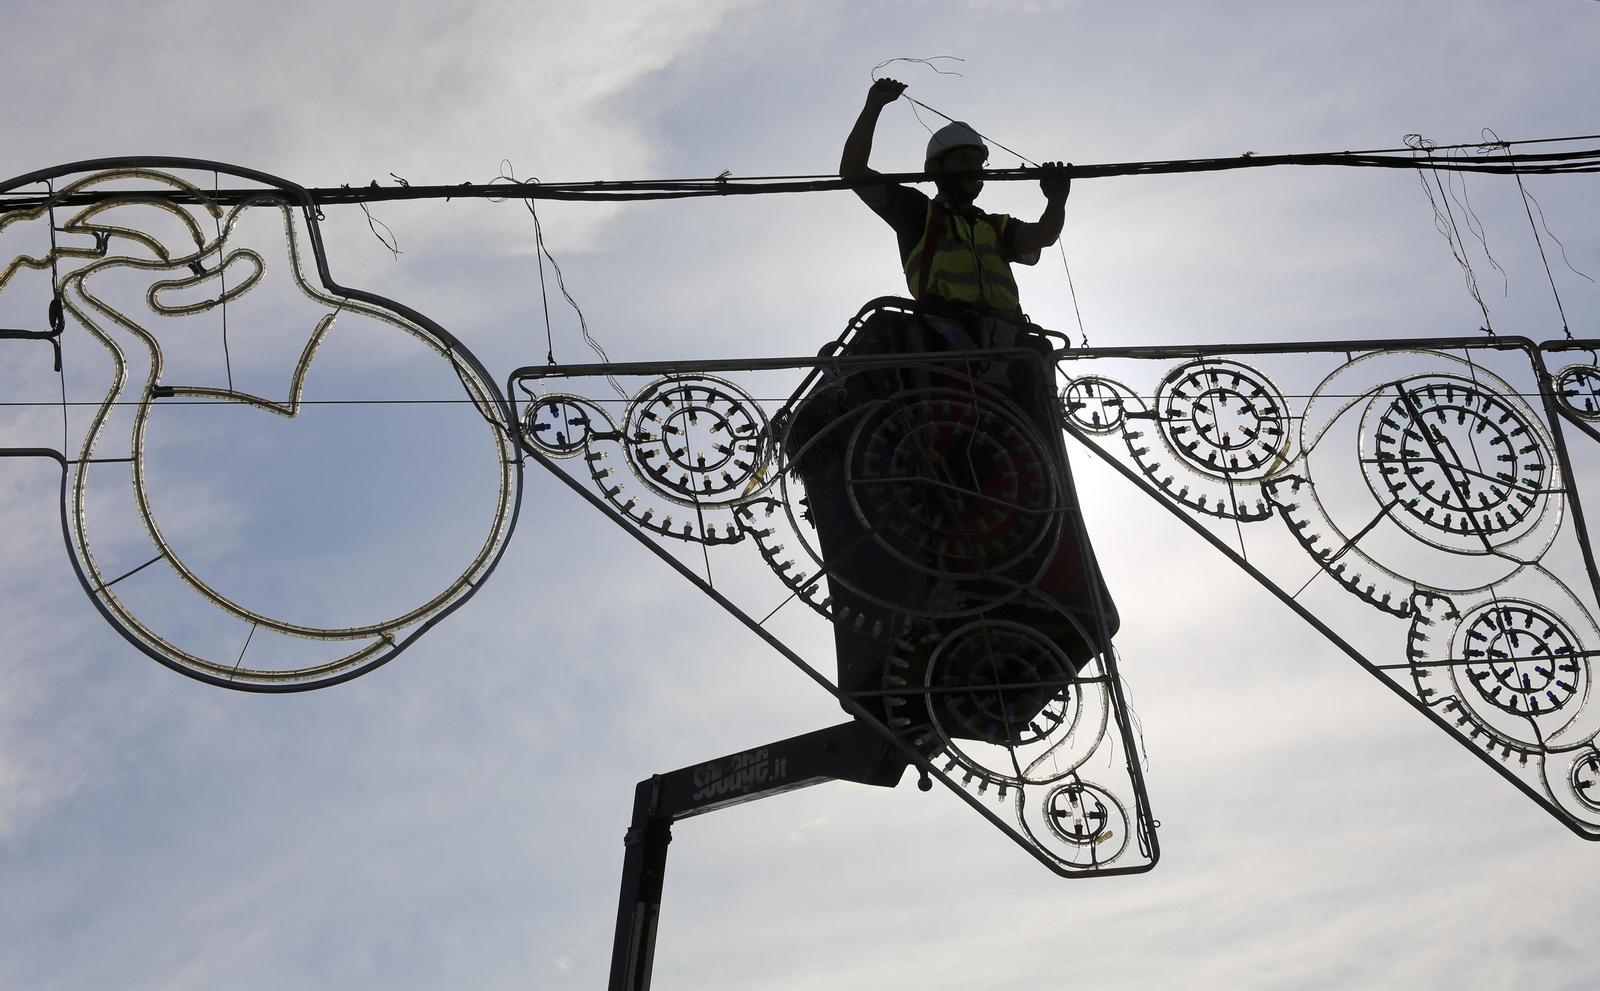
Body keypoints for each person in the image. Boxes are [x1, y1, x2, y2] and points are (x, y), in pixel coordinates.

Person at [840, 76, 1072, 339]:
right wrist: (874, 105)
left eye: (977, 161)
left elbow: (1044, 236)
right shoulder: (918, 213)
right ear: (934, 169)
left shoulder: (995, 225)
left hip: (1010, 344)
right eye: (962, 159)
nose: (973, 167)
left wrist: (1057, 199)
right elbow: (852, 171)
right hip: (944, 340)